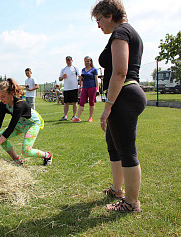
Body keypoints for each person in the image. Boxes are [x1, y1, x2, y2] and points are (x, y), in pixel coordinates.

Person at [91, 0, 146, 212]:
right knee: (114, 145)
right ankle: (117, 189)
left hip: (125, 95)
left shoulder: (121, 33)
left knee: (127, 150)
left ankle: (131, 203)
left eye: (99, 20)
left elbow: (120, 72)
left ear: (109, 15)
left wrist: (108, 106)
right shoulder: (127, 31)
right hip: (126, 95)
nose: (98, 26)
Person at [0, 78, 52, 166]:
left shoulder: (19, 105)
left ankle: (47, 155)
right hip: (21, 124)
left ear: (11, 93)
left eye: (3, 96)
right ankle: (17, 160)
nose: (1, 99)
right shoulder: (3, 104)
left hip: (32, 124)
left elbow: (11, 127)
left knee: (26, 151)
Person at [72, 56, 99, 122]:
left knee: (91, 102)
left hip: (92, 87)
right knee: (81, 102)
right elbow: (82, 80)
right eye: (85, 61)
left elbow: (96, 80)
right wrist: (80, 85)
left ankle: (90, 117)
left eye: (88, 61)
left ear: (90, 62)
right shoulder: (83, 70)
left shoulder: (94, 70)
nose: (87, 62)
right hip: (84, 87)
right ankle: (77, 118)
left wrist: (97, 89)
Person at [58, 56, 80, 121]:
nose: (68, 61)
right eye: (67, 60)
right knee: (66, 103)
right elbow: (59, 79)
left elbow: (79, 76)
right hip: (66, 88)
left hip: (74, 88)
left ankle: (74, 116)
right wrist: (62, 77)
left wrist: (80, 86)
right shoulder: (63, 69)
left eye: (69, 60)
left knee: (74, 102)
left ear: (72, 60)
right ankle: (65, 116)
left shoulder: (75, 68)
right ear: (66, 61)